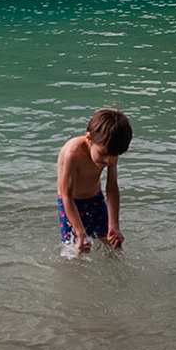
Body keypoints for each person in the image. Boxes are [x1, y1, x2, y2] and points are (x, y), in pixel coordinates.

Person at [57, 108, 132, 252]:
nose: (108, 160)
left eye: (113, 156)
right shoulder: (72, 154)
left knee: (113, 244)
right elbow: (66, 195)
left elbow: (111, 188)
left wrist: (114, 225)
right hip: (71, 203)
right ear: (89, 138)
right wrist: (80, 232)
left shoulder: (111, 150)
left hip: (95, 198)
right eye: (103, 154)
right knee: (75, 249)